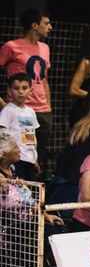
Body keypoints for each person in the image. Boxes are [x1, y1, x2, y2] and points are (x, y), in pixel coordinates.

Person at [1, 9, 53, 166]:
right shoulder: (11, 46)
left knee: (36, 157)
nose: (50, 27)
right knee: (18, 156)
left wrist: (48, 107)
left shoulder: (45, 48)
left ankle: (35, 189)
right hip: (20, 110)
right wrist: (4, 104)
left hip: (42, 111)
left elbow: (44, 79)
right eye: (46, 23)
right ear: (35, 25)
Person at [0, 73, 41, 182]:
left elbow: (30, 136)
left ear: (31, 90)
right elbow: (3, 135)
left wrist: (34, 158)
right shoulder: (8, 111)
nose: (21, 92)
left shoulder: (30, 111)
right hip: (16, 159)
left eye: (24, 88)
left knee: (30, 191)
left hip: (29, 159)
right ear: (9, 90)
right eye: (16, 88)